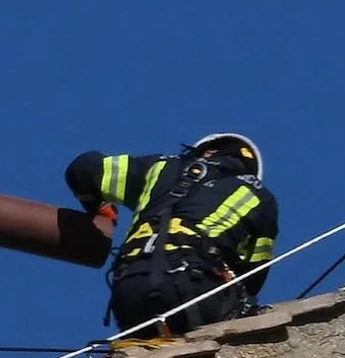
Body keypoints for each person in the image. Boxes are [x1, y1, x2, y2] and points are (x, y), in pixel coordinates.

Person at [64, 133, 280, 337]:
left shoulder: (158, 167)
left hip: (129, 291)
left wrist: (100, 208)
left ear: (204, 151)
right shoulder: (259, 196)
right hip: (195, 293)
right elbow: (252, 279)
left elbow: (82, 169)